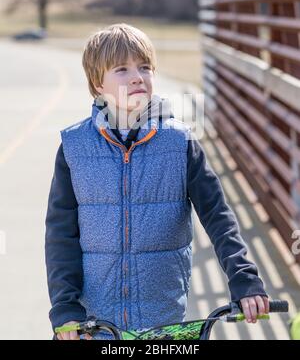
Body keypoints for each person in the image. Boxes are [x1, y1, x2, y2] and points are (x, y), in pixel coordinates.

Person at [45, 23, 269, 340]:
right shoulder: (74, 147)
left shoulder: (180, 143)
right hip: (92, 325)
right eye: (122, 69)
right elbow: (60, 234)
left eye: (145, 67)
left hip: (162, 324)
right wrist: (65, 307)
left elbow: (218, 217)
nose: (137, 76)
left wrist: (244, 279)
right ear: (98, 84)